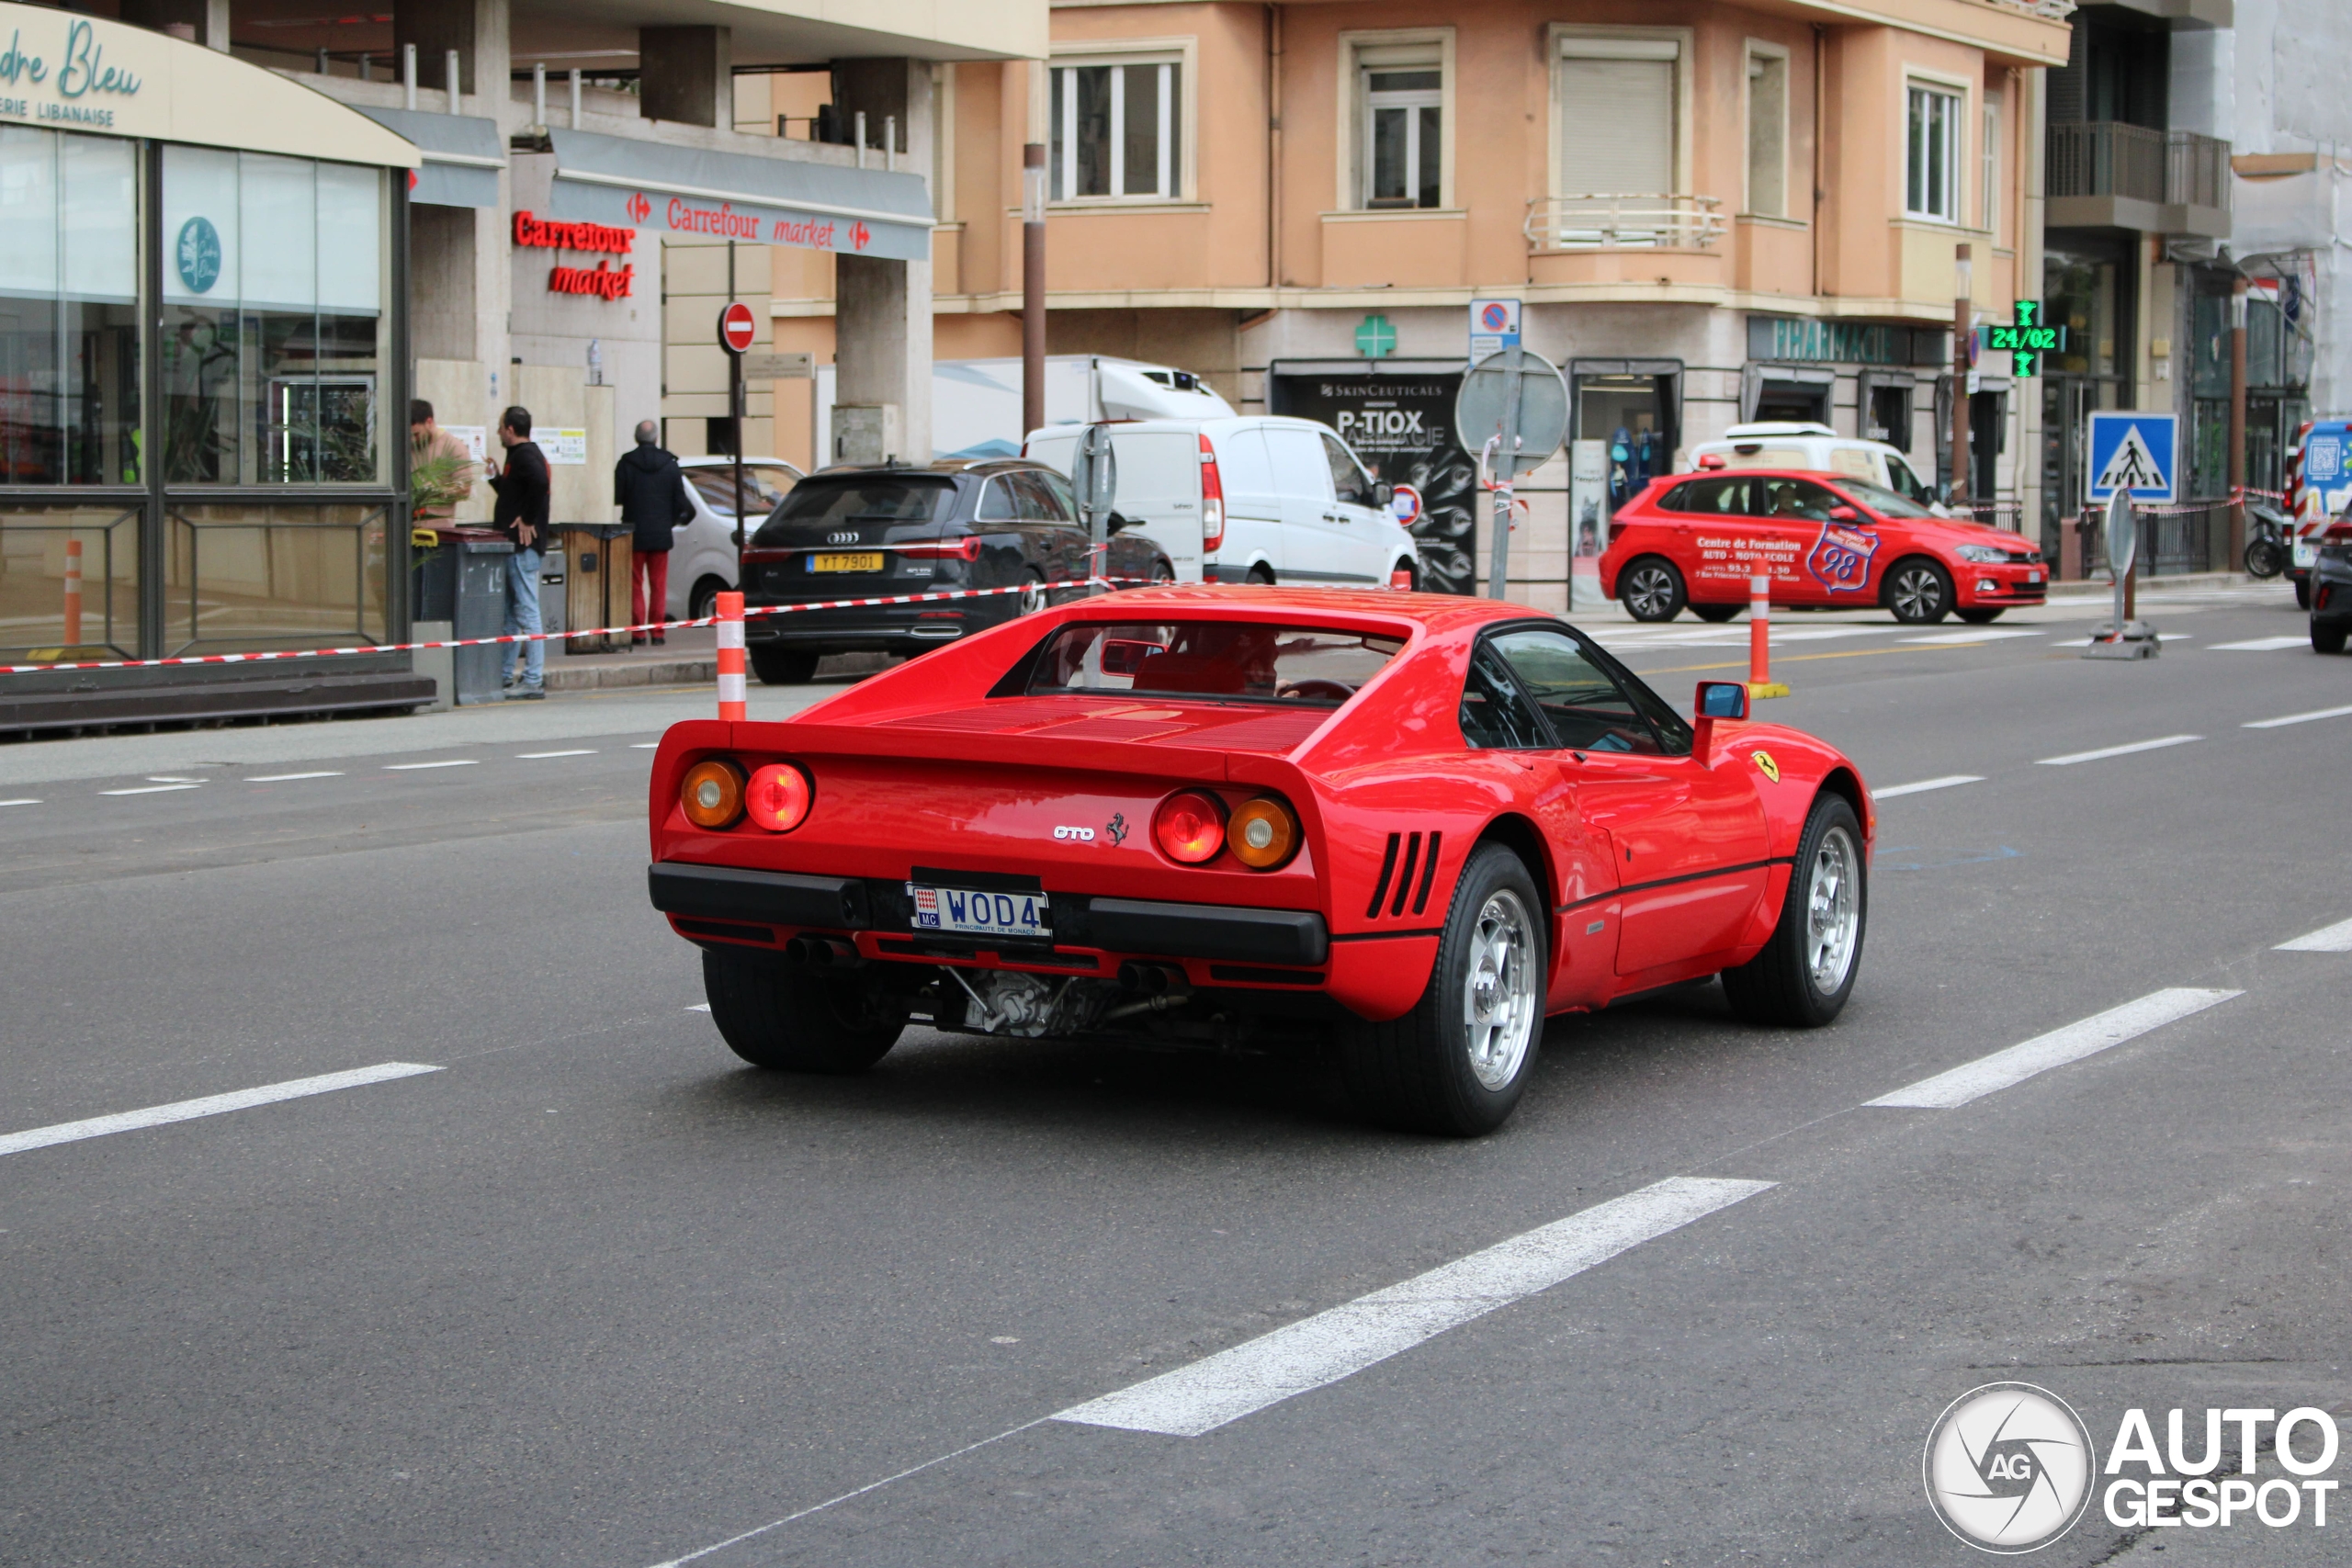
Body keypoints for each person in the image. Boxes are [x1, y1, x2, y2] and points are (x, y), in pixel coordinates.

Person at [486, 406, 551, 699]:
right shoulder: (521, 456)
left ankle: (533, 678)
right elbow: (516, 494)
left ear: (510, 429)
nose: (498, 432)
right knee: (512, 613)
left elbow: (539, 483)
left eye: (500, 427)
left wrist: (527, 519)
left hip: (522, 545)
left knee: (526, 611)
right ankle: (504, 673)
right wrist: (496, 479)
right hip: (516, 544)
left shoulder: (525, 456)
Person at [614, 420, 695, 646]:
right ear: (657, 438)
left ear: (636, 438)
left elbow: (618, 496)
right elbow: (683, 503)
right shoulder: (670, 465)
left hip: (635, 532)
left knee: (635, 583)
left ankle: (638, 633)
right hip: (660, 534)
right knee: (659, 584)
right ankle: (658, 633)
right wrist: (671, 521)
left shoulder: (625, 463)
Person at [407, 400, 475, 525]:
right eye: (409, 435)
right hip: (408, 529)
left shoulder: (454, 447)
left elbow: (465, 489)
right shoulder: (408, 446)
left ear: (429, 422)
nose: (412, 439)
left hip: (439, 532)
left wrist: (435, 491)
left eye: (416, 434)